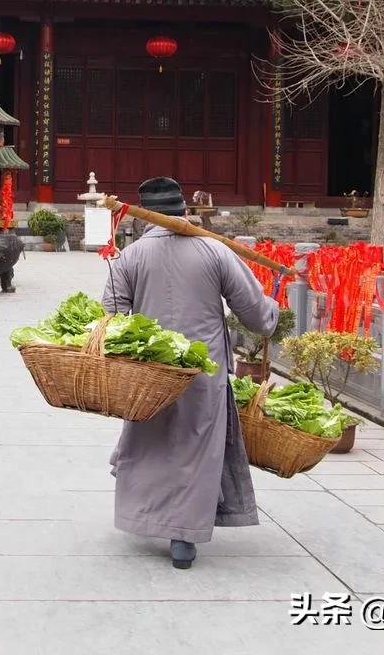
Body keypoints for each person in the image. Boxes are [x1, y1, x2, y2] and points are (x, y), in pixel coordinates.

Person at [103, 176, 279, 569]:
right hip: (204, 370)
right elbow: (254, 312)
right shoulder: (214, 251)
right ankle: (183, 536)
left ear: (143, 216)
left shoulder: (129, 258)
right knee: (196, 448)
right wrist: (272, 311)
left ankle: (146, 517)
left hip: (149, 370)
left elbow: (109, 317)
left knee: (151, 442)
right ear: (184, 209)